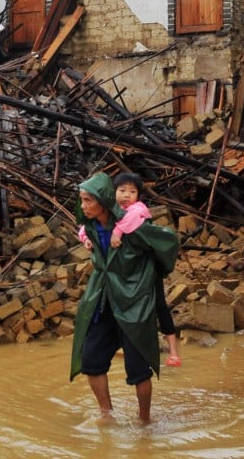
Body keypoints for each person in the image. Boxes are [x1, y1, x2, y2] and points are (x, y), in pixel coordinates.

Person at [69, 172, 178, 425]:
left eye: (87, 200)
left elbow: (167, 242)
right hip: (103, 301)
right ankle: (107, 414)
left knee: (139, 371)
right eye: (81, 200)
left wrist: (150, 276)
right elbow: (84, 235)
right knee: (91, 361)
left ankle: (144, 420)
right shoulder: (92, 228)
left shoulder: (134, 226)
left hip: (133, 304)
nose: (83, 206)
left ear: (102, 200)